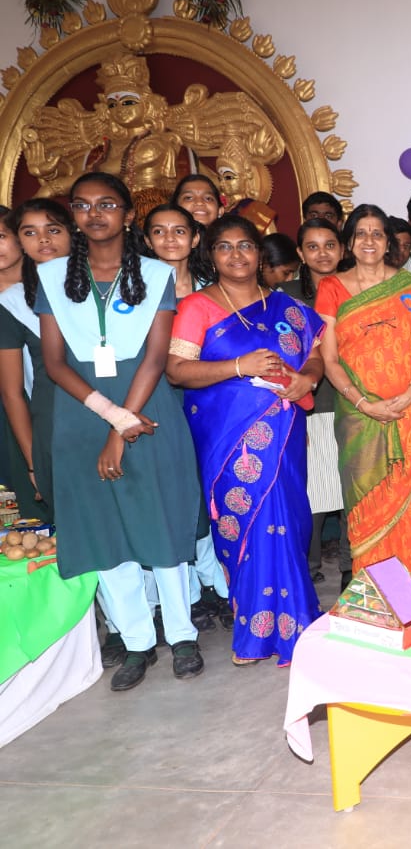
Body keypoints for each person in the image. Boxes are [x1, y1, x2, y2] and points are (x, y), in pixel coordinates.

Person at [37, 172, 203, 691]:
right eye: (82, 205)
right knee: (103, 528)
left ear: (129, 215)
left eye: (107, 204)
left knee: (160, 518)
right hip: (81, 411)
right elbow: (54, 363)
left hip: (146, 405)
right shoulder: (52, 277)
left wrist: (122, 424)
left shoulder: (155, 274)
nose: (95, 214)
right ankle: (136, 641)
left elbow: (155, 357)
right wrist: (112, 417)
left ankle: (182, 634)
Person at [167, 214, 325, 665]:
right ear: (211, 255)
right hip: (228, 441)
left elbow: (315, 356)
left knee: (288, 521)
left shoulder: (287, 307)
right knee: (245, 525)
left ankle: (299, 622)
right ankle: (254, 633)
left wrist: (308, 380)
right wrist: (240, 367)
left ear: (260, 253)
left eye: (246, 245)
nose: (236, 254)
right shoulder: (197, 307)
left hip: (284, 432)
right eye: (224, 246)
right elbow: (177, 370)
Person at [315, 205, 411, 575]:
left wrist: (409, 396)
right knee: (368, 505)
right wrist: (364, 404)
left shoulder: (409, 286)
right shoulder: (331, 288)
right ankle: (375, 593)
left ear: (389, 242)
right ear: (349, 242)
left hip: (410, 414)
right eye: (361, 233)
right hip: (360, 420)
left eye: (377, 233)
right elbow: (329, 359)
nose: (369, 240)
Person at [143, 202, 236, 632]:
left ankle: (220, 581)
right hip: (159, 396)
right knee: (176, 494)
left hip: (213, 399)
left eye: (179, 231)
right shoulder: (135, 291)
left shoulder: (214, 289)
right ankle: (191, 590)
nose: (170, 239)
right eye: (159, 232)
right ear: (146, 241)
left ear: (196, 238)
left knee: (210, 489)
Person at [284, 219, 350, 586]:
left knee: (352, 492)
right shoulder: (285, 296)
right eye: (312, 246)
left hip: (354, 402)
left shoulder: (357, 288)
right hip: (308, 406)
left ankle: (351, 566)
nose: (322, 253)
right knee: (312, 496)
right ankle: (307, 570)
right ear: (300, 252)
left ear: (342, 249)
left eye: (329, 245)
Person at [0, 199, 71, 522]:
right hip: (41, 416)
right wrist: (34, 463)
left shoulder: (96, 284)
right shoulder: (13, 303)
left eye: (52, 230)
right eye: (31, 232)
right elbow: (12, 391)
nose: (43, 239)